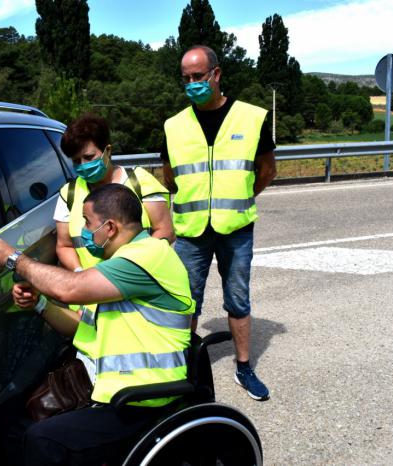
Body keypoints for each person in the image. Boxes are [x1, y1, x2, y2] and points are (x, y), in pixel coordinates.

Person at [0, 184, 194, 466]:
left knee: (43, 439)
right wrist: (40, 304)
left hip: (141, 399)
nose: (82, 231)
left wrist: (14, 259)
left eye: (87, 222)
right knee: (10, 415)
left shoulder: (146, 256)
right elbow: (81, 328)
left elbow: (69, 289)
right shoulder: (117, 263)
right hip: (107, 386)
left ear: (109, 227)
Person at [161, 45, 277, 402]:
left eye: (199, 76)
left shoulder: (252, 117)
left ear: (217, 74)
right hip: (191, 231)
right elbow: (169, 179)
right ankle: (183, 369)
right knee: (185, 302)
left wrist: (239, 199)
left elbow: (267, 171)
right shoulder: (173, 125)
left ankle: (243, 366)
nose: (193, 83)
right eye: (186, 78)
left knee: (238, 299)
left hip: (236, 228)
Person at [55, 114, 174, 272]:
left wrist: (132, 269)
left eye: (89, 157)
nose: (83, 165)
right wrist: (80, 273)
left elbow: (165, 231)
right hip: (92, 289)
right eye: (76, 161)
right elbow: (64, 245)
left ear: (108, 151)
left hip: (139, 281)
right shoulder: (68, 194)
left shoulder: (140, 181)